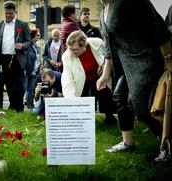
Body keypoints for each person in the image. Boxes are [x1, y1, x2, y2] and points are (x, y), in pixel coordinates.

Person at [97, 0, 172, 162]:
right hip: (127, 65)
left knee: (143, 107)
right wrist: (105, 74)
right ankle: (128, 143)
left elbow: (158, 27)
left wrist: (168, 59)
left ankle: (167, 145)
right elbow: (109, 49)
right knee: (119, 97)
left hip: (147, 60)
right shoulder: (103, 12)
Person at [61, 30, 116, 124]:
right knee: (83, 98)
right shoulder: (67, 56)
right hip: (82, 80)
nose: (71, 52)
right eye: (69, 48)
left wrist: (103, 66)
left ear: (84, 46)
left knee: (105, 95)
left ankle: (109, 116)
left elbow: (108, 56)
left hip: (99, 77)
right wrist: (69, 99)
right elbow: (67, 78)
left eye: (74, 49)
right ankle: (84, 121)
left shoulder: (97, 43)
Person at [0, 1, 31, 112]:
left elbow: (29, 42)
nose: (8, 15)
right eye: (6, 13)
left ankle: (20, 109)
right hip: (4, 59)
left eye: (10, 13)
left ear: (15, 11)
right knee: (9, 85)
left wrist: (22, 45)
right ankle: (13, 105)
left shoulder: (22, 25)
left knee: (19, 84)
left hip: (17, 59)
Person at [24, 29, 41, 109]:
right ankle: (19, 105)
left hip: (34, 70)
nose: (39, 36)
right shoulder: (28, 45)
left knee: (31, 89)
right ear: (33, 36)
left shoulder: (37, 46)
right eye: (37, 35)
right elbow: (25, 58)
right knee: (24, 89)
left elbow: (38, 58)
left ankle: (30, 104)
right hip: (27, 70)